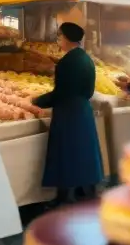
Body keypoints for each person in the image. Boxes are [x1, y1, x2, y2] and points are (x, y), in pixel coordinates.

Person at [34, 22, 104, 206]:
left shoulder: (67, 62)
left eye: (59, 36)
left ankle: (65, 197)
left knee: (66, 153)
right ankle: (83, 192)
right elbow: (88, 90)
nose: (58, 39)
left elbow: (60, 93)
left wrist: (36, 101)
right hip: (82, 110)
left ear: (66, 38)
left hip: (68, 112)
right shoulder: (86, 59)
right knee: (83, 152)